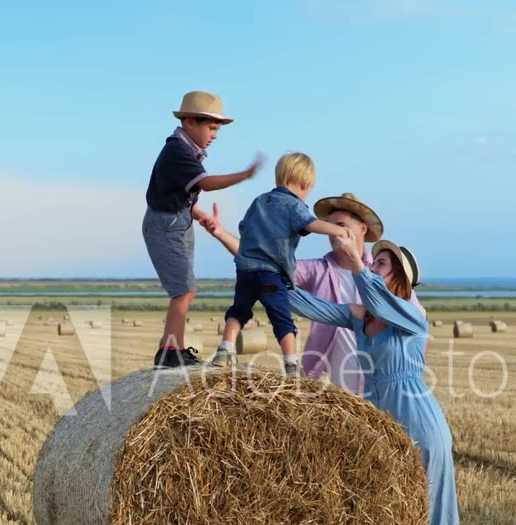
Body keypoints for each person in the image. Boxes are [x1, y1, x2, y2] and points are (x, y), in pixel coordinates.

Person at [287, 238, 467, 525]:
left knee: (432, 521)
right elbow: (311, 307)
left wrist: (354, 264)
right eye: (373, 259)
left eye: (381, 262)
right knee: (399, 521)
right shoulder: (361, 317)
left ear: (399, 277)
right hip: (387, 424)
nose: (372, 264)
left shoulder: (409, 313)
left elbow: (371, 289)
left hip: (420, 423)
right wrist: (266, 282)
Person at [194, 192, 426, 393]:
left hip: (380, 371)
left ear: (362, 229)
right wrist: (221, 233)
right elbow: (264, 264)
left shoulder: (381, 273)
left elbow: (412, 311)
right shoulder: (317, 269)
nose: (334, 233)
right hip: (337, 373)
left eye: (341, 227)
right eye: (330, 227)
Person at [142, 90, 264, 369]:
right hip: (166, 225)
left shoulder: (185, 150)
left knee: (186, 289)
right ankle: (171, 353)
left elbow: (174, 190)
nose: (215, 134)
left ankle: (172, 349)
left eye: (217, 129)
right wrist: (244, 175)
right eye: (211, 127)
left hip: (176, 221)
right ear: (189, 123)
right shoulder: (178, 149)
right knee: (184, 290)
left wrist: (197, 213)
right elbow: (205, 183)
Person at [205, 153, 357, 375]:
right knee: (282, 319)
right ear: (305, 184)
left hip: (245, 271)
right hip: (271, 274)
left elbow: (243, 228)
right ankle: (291, 364)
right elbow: (312, 225)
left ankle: (224, 351)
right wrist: (339, 230)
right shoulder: (295, 205)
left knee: (238, 311)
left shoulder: (259, 201)